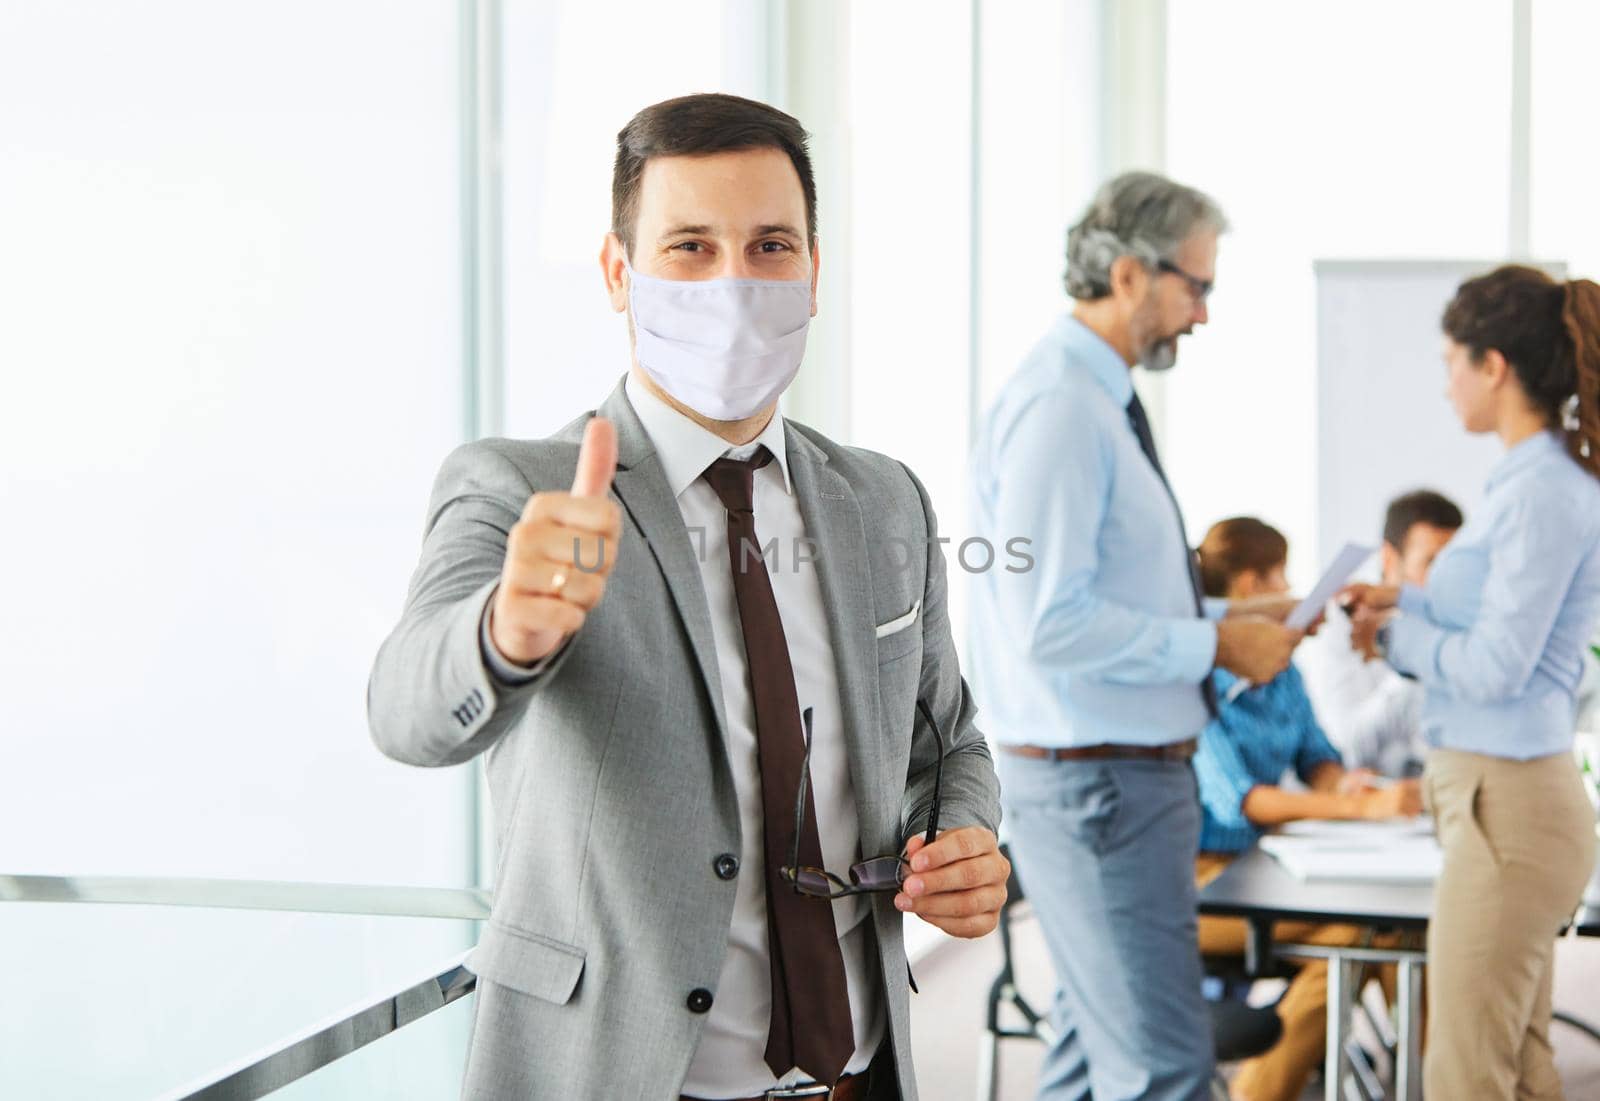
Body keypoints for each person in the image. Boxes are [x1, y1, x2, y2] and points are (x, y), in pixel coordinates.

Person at [367, 93, 1006, 1101]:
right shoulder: (517, 487)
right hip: (619, 1074)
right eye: (691, 248)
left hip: (858, 1077)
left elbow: (948, 741)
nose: (735, 284)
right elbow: (406, 714)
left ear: (813, 273)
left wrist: (966, 835)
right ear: (620, 273)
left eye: (769, 246)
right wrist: (507, 634)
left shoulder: (882, 497)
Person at [968, 171, 1304, 1101]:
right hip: (1100, 786)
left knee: (1089, 1061)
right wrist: (1215, 648)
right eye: (1196, 286)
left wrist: (1230, 621)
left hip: (1116, 780)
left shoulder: (1094, 399)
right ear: (1128, 274)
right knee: (1163, 1070)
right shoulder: (1064, 408)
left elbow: (1096, 598)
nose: (1201, 315)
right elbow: (1051, 622)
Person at [1343, 264, 1600, 1099]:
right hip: (1505, 801)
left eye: (1452, 358)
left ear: (1493, 365)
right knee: (1517, 1066)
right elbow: (1498, 615)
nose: (1445, 380)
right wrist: (1405, 597)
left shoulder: (1542, 491)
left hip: (1509, 804)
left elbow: (1496, 664)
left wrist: (1392, 633)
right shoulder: (1529, 478)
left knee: (1463, 1072)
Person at [1189, 517, 1423, 1101]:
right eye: (1277, 573)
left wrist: (1346, 785)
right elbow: (1245, 801)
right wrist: (1364, 813)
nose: (1289, 584)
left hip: (1262, 871)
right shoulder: (1200, 679)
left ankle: (1424, 1078)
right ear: (1248, 586)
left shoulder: (1281, 669)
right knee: (1370, 930)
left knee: (1378, 933)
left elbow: (1317, 753)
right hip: (1202, 886)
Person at [1298, 490, 1462, 777]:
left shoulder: (1457, 626)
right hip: (1368, 808)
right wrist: (1411, 664)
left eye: (1454, 564)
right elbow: (1345, 746)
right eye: (1431, 562)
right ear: (1389, 558)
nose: (1447, 579)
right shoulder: (1340, 625)